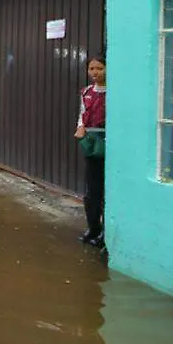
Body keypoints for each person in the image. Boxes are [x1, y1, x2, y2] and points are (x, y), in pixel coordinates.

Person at [74, 56, 107, 248]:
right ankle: (92, 227)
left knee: (106, 190)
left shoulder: (113, 92)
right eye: (92, 68)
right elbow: (82, 113)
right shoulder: (86, 92)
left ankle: (105, 232)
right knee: (91, 191)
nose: (95, 72)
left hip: (108, 143)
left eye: (100, 68)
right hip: (91, 144)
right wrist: (80, 127)